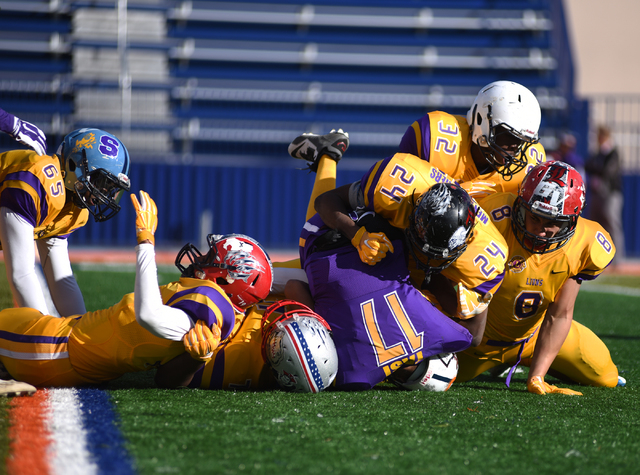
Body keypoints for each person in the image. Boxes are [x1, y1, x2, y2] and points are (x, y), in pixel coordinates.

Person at [0, 191, 276, 394]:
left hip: (56, 349)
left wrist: (145, 241)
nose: (202, 259)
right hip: (72, 349)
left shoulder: (208, 301)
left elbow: (148, 314)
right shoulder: (217, 316)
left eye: (211, 258)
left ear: (228, 277)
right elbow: (166, 378)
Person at [307, 131, 508, 346]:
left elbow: (472, 336)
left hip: (429, 273)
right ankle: (328, 155)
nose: (425, 255)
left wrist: (424, 301)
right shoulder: (394, 186)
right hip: (383, 242)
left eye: (435, 254)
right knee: (317, 240)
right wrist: (357, 234)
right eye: (422, 244)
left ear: (465, 243)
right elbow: (327, 201)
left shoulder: (488, 259)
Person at [455, 161, 623, 395]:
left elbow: (560, 314)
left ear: (571, 221)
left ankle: (527, 363)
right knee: (419, 375)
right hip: (475, 344)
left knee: (607, 377)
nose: (539, 230)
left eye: (552, 222)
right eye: (534, 217)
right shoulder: (492, 216)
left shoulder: (586, 242)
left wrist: (537, 376)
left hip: (533, 337)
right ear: (520, 205)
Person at [284, 186, 474, 390]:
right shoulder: (347, 376)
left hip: (367, 233)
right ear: (402, 382)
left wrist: (486, 288)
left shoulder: (444, 332)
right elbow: (293, 288)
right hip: (317, 244)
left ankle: (328, 159)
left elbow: (471, 335)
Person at [0, 126, 131, 317]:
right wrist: (48, 335)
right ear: (75, 165)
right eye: (101, 184)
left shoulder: (74, 210)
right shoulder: (39, 177)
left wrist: (79, 329)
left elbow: (61, 279)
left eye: (109, 189)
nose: (102, 196)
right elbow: (22, 275)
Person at [399, 80, 547, 199]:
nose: (516, 146)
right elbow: (398, 193)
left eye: (522, 140)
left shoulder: (530, 165)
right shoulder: (434, 137)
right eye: (509, 135)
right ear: (480, 120)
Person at [585, 125, 625, 262]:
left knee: (612, 224)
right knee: (595, 224)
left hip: (611, 194)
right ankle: (594, 256)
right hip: (597, 193)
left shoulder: (613, 153)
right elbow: (587, 165)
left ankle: (617, 259)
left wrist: (596, 170)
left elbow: (608, 171)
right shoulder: (598, 154)